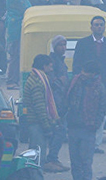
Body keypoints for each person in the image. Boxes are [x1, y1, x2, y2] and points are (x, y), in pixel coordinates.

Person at [73, 15, 106, 153]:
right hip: (86, 84)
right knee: (85, 111)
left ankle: (96, 144)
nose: (99, 27)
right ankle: (86, 141)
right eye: (96, 25)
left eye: (101, 25)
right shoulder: (83, 43)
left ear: (104, 27)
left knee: (101, 113)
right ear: (91, 27)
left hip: (103, 84)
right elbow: (76, 64)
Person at [65, 61, 106, 180]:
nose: (82, 74)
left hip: (89, 128)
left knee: (86, 162)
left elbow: (102, 108)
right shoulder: (74, 82)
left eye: (85, 72)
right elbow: (66, 99)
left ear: (93, 74)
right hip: (73, 126)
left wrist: (96, 124)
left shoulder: (99, 87)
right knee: (75, 161)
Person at [23, 54, 59, 162]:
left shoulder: (36, 78)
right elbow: (40, 107)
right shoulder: (38, 82)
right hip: (37, 123)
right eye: (50, 66)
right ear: (44, 66)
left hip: (35, 122)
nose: (52, 69)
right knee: (38, 158)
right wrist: (46, 126)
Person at [45, 35, 70, 173]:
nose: (64, 48)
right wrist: (61, 81)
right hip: (55, 103)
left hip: (61, 103)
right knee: (59, 131)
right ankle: (51, 159)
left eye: (65, 45)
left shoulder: (60, 61)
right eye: (61, 45)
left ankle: (53, 158)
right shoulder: (52, 61)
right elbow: (52, 81)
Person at [5, 0, 32, 89]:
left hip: (16, 27)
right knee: (15, 56)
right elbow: (26, 8)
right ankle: (11, 81)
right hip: (16, 28)